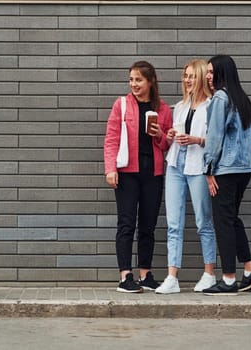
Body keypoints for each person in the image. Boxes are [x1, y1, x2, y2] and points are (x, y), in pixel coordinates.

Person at [104, 61, 173, 293]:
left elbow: (167, 145)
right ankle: (125, 276)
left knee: (148, 225)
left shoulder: (163, 109)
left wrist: (160, 134)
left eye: (138, 80)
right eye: (131, 79)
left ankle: (145, 274)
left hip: (152, 173)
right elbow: (112, 138)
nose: (134, 84)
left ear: (151, 81)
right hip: (127, 173)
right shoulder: (121, 105)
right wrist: (110, 169)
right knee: (126, 223)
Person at [201, 55, 251, 295]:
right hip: (244, 169)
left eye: (210, 71)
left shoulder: (220, 98)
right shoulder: (242, 99)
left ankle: (228, 279)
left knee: (223, 222)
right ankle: (249, 272)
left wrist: (209, 170)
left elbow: (214, 137)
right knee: (233, 218)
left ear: (221, 73)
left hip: (225, 170)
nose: (207, 76)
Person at [155, 59, 217, 294]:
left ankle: (209, 273)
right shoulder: (180, 106)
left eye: (192, 76)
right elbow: (174, 136)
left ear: (201, 78)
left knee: (203, 221)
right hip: (175, 165)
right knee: (173, 223)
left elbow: (216, 140)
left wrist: (196, 140)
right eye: (185, 76)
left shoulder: (212, 106)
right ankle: (172, 277)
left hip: (198, 166)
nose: (187, 80)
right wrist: (170, 134)